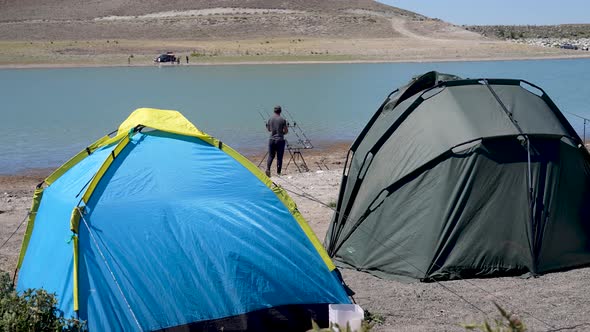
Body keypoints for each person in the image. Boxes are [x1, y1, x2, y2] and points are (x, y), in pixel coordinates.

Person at [266, 105, 288, 177]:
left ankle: (268, 169)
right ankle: (278, 172)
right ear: (280, 111)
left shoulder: (270, 119)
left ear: (274, 111)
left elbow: (269, 130)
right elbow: (286, 131)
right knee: (279, 157)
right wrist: (283, 133)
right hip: (280, 140)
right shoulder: (283, 120)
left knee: (271, 156)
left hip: (271, 139)